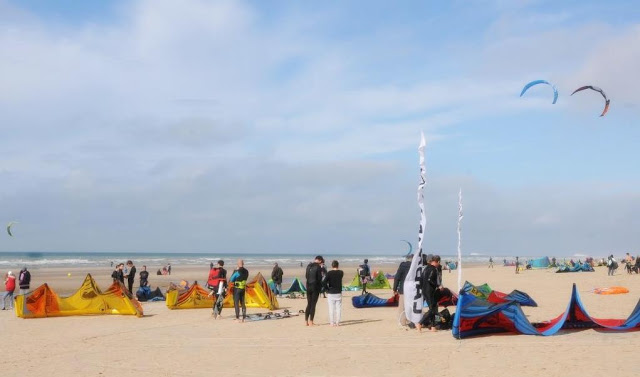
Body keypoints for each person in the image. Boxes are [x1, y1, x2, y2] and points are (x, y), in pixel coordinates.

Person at [418, 256, 441, 332]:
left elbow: (420, 280)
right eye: (438, 262)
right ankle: (420, 323)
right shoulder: (433, 269)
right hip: (429, 291)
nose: (439, 264)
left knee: (434, 308)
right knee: (432, 310)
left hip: (425, 291)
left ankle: (433, 326)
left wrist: (422, 289)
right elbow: (430, 279)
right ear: (436, 261)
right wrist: (438, 286)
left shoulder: (426, 268)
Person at [393, 254, 412, 326]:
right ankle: (410, 321)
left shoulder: (402, 266)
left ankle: (402, 322)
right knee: (410, 306)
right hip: (412, 289)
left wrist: (394, 289)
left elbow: (397, 277)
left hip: (403, 289)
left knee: (402, 306)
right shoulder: (415, 266)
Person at [323, 260, 344, 327]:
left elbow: (323, 282)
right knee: (338, 308)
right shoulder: (341, 272)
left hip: (331, 292)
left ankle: (332, 323)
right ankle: (338, 322)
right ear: (338, 265)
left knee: (331, 308)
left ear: (332, 266)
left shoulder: (329, 273)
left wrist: (326, 289)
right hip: (338, 291)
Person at [305, 256, 324, 326]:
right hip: (315, 287)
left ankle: (306, 321)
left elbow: (306, 276)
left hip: (308, 286)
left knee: (309, 304)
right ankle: (311, 321)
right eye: (321, 261)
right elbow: (319, 278)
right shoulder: (318, 267)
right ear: (319, 260)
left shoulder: (308, 266)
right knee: (313, 304)